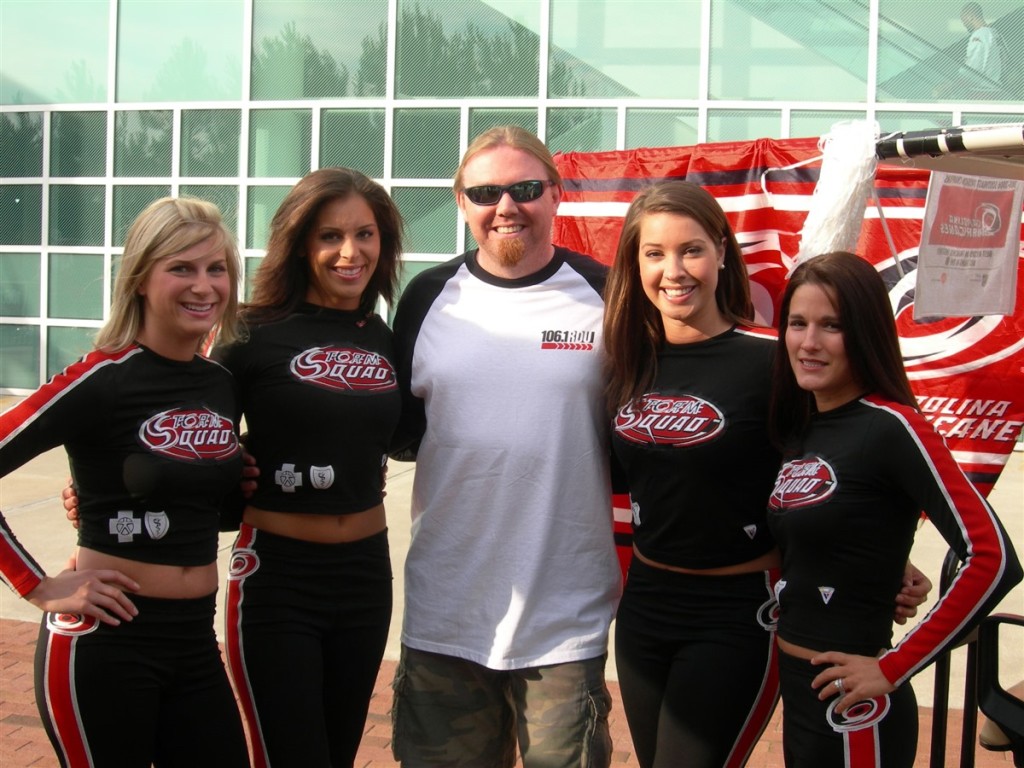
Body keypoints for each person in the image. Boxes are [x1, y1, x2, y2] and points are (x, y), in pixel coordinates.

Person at [603, 182, 930, 768]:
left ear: (723, 253)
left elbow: (835, 465)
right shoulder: (625, 361)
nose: (674, 271)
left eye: (692, 250)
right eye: (654, 253)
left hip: (737, 614)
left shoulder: (773, 359)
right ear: (634, 263)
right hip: (645, 606)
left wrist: (874, 555)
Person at [389, 125, 621, 767]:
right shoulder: (428, 299)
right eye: (486, 191)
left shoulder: (607, 293)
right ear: (461, 202)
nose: (506, 206)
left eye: (524, 188)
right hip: (446, 609)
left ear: (555, 194)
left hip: (565, 615)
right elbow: (394, 432)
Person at [0, 197, 250, 767]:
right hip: (105, 642)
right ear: (140, 279)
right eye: (181, 268)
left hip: (193, 641)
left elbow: (197, 503)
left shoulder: (220, 384)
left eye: (217, 269)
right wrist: (35, 585)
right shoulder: (101, 378)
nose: (204, 286)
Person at [766, 251, 1022, 767]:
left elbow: (992, 557)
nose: (809, 342)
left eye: (831, 326)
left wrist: (896, 666)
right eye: (798, 323)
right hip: (799, 693)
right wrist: (887, 562)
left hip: (857, 707)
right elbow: (833, 531)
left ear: (864, 333)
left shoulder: (893, 426)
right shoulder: (803, 426)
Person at [213, 167, 405, 767]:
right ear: (300, 243)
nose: (351, 253)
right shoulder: (251, 334)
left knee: (338, 754)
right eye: (330, 236)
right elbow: (189, 432)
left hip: (367, 577)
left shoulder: (384, 337)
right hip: (278, 581)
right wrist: (101, 492)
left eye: (366, 234)